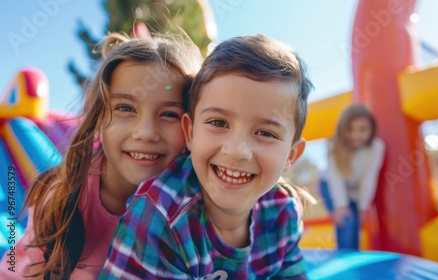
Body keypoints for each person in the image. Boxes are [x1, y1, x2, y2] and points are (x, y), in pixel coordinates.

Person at [100, 34, 313, 279]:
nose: (236, 150)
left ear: (291, 155)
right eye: (218, 122)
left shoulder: (282, 210)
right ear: (189, 132)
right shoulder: (161, 216)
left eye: (265, 133)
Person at [0, 32, 202, 279]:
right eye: (125, 108)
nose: (145, 133)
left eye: (169, 114)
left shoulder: (193, 204)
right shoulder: (63, 197)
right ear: (98, 120)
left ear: (191, 127)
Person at [320, 103, 385, 249]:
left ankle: (353, 257)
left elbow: (369, 177)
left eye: (362, 129)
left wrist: (363, 205)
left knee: (356, 224)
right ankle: (344, 259)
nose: (356, 135)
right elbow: (336, 177)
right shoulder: (334, 145)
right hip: (329, 185)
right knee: (346, 221)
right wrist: (341, 205)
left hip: (354, 191)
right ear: (343, 130)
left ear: (371, 129)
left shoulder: (376, 147)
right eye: (350, 129)